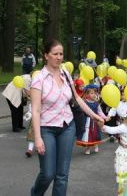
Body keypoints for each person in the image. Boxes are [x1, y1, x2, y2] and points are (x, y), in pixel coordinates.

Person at [30, 39, 104, 196]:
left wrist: (95, 115)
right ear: (46, 56)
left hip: (67, 127)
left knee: (62, 175)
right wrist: (37, 138)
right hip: (47, 128)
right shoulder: (39, 79)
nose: (58, 57)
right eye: (55, 54)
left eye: (61, 54)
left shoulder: (65, 73)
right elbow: (35, 110)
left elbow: (77, 98)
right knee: (48, 173)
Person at [77, 84, 107, 155]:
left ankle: (96, 145)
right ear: (87, 94)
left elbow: (100, 112)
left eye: (94, 93)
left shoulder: (96, 103)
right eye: (91, 93)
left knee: (95, 134)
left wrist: (105, 117)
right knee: (88, 135)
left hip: (95, 121)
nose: (93, 95)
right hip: (87, 121)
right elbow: (81, 110)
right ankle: (88, 148)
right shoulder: (85, 102)